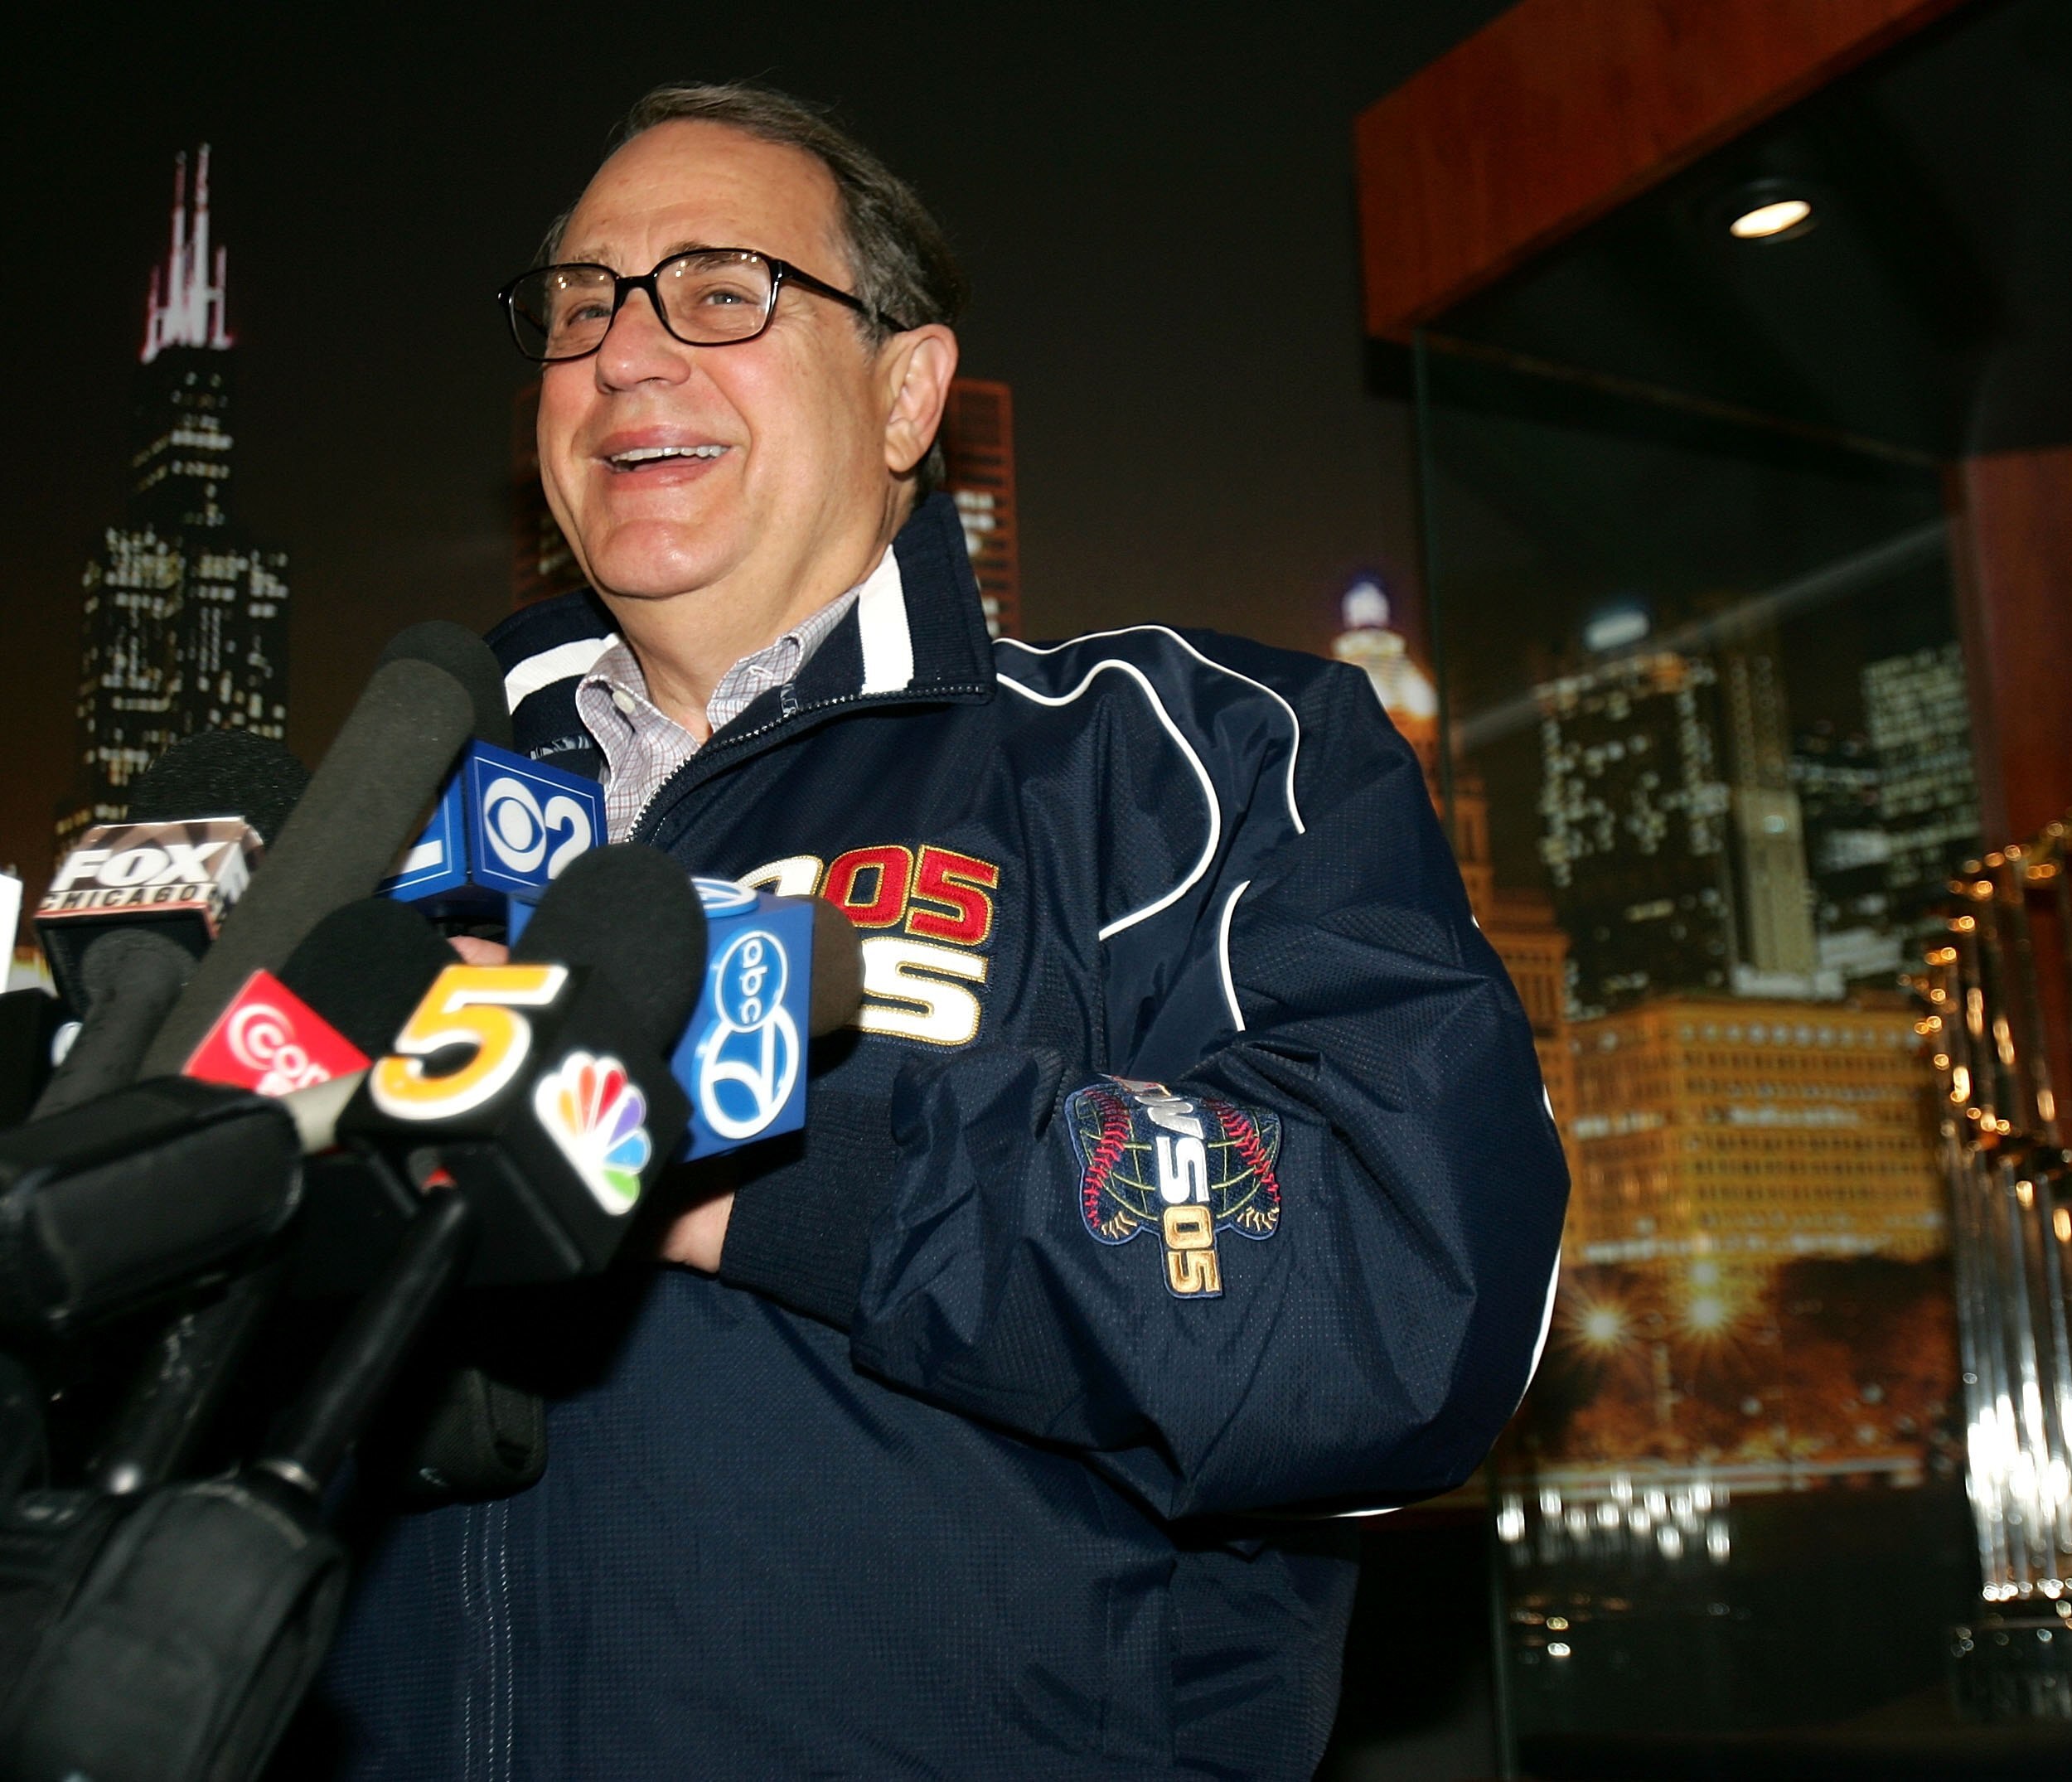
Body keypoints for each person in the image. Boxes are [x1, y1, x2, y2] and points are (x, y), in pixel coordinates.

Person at [313, 80, 1566, 1780]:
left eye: (722, 289)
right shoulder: (382, 818)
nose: (624, 353)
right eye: (582, 303)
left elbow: (1399, 1296)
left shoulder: (1184, 759)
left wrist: (713, 1138)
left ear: (909, 391)